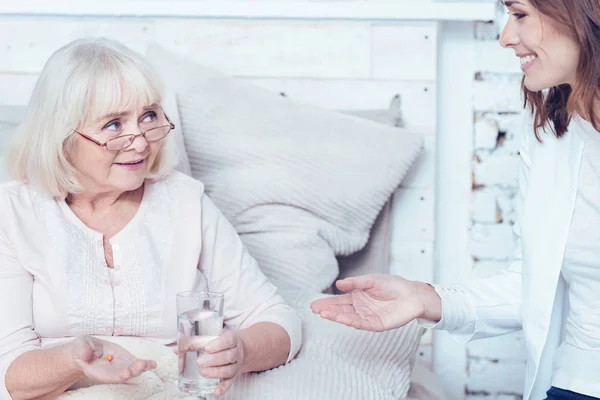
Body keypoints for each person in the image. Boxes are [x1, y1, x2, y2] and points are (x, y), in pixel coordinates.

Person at [311, 1, 600, 399]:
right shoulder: (552, 131)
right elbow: (535, 286)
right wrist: (425, 299)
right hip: (577, 380)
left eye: (519, 15)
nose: (505, 38)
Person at [0, 37, 301, 400]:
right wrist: (74, 361)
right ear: (62, 136)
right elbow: (10, 374)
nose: (141, 142)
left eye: (149, 116)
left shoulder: (186, 203)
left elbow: (278, 320)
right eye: (113, 125)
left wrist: (242, 351)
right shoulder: (14, 214)